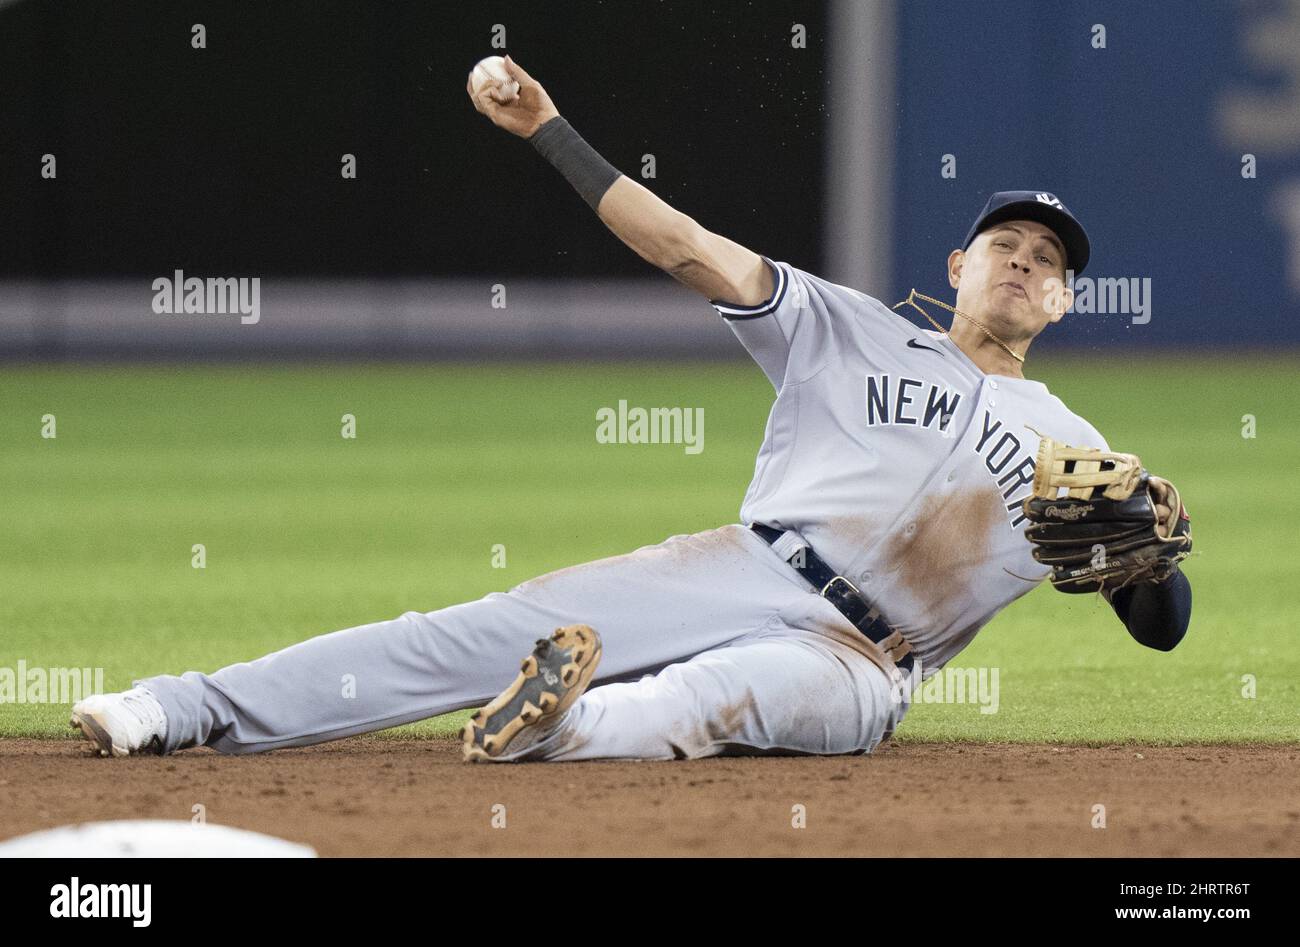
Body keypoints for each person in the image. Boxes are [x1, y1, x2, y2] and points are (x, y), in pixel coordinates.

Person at [70, 56, 1192, 763]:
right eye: (1005, 245)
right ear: (958, 261)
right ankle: (179, 706)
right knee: (462, 633)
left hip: (863, 661)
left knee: (716, 696)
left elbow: (1162, 627)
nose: (1022, 265)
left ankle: (562, 724)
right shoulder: (845, 325)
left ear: (1066, 297)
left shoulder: (1077, 449)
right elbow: (685, 246)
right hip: (743, 563)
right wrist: (552, 133)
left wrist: (1152, 568)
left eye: (1047, 262)